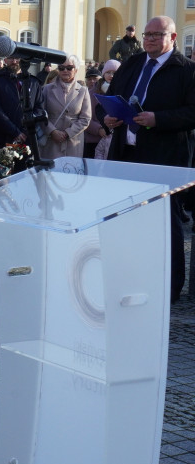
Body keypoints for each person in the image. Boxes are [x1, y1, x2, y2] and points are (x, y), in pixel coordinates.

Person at [105, 15, 195, 302]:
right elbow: (109, 98)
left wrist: (159, 119)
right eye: (147, 34)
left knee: (165, 224)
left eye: (157, 34)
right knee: (127, 221)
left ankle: (169, 288)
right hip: (126, 152)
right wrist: (107, 117)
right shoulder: (132, 63)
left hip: (164, 158)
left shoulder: (186, 70)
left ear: (172, 38)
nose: (150, 39)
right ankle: (130, 278)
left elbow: (192, 113)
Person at [0, 54, 45, 157]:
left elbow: (39, 109)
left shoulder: (33, 82)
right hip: (3, 139)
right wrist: (15, 132)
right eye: (11, 58)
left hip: (27, 140)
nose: (14, 61)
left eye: (17, 58)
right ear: (5, 60)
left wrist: (25, 130)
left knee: (25, 172)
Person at [38, 55, 92, 159]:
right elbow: (40, 113)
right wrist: (52, 131)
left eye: (69, 68)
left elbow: (85, 119)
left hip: (73, 141)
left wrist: (68, 133)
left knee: (70, 171)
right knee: (50, 172)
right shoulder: (47, 89)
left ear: (76, 70)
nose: (65, 71)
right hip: (51, 139)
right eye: (61, 68)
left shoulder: (83, 91)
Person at [85, 59, 119, 158]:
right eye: (108, 72)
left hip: (113, 140)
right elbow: (85, 116)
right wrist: (99, 129)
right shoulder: (92, 92)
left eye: (114, 73)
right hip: (94, 139)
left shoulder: (123, 90)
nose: (111, 75)